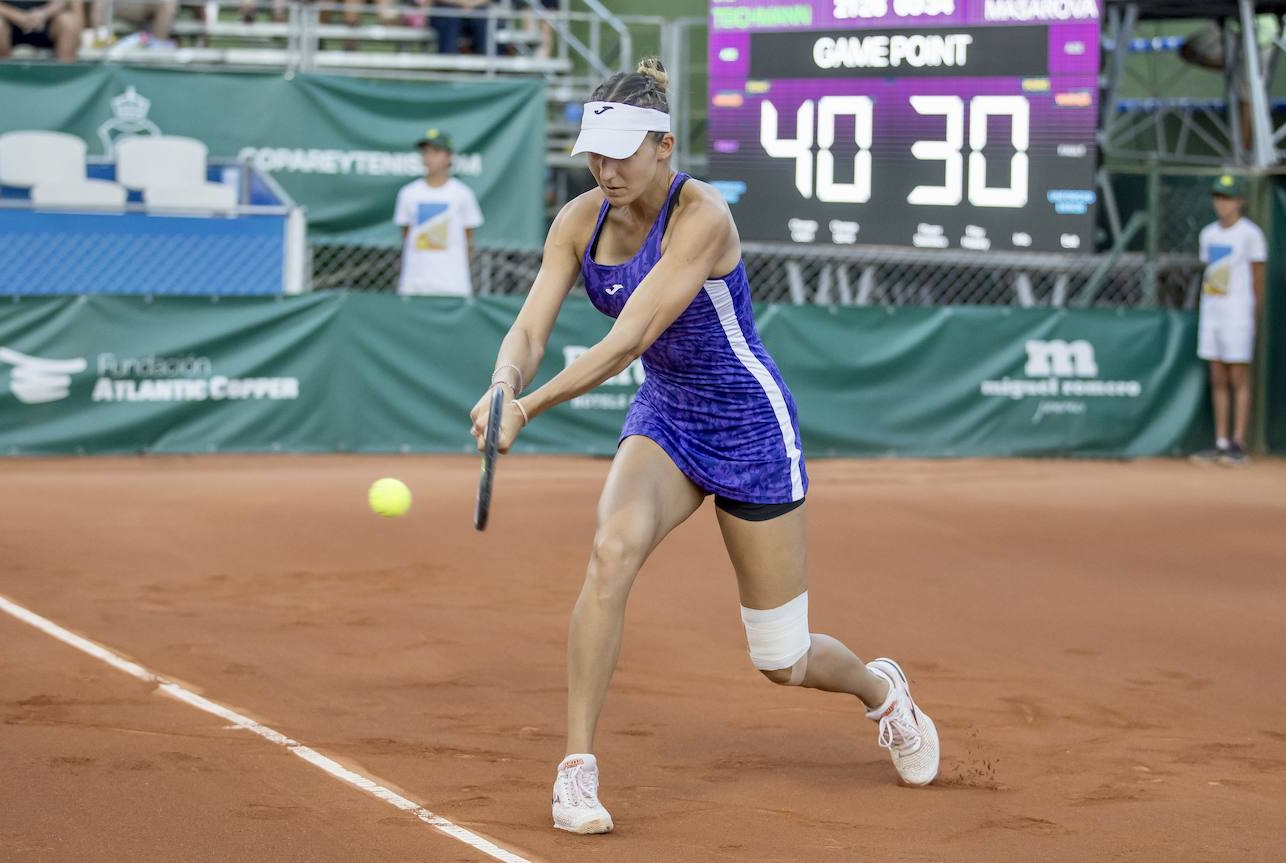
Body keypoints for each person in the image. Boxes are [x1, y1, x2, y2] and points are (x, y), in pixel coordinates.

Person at [468, 58, 940, 835]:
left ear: (664, 145)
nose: (605, 167)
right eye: (596, 150)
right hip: (667, 416)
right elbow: (529, 326)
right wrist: (502, 378)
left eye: (623, 150)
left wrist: (530, 405)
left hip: (751, 426)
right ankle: (577, 770)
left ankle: (882, 691)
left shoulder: (703, 216)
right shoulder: (579, 220)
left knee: (782, 659)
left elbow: (627, 340)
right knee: (610, 550)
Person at [1190, 174, 1267, 467]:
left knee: (1238, 377)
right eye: (1218, 197)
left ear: (1241, 201)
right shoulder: (1208, 234)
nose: (1221, 203)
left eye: (1227, 197)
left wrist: (1253, 312)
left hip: (1239, 312)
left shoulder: (1251, 234)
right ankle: (1221, 441)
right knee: (1217, 376)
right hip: (1212, 313)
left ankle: (1238, 441)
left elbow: (1258, 276)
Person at [393, 128, 483, 296]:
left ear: (448, 157)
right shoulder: (407, 193)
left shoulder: (463, 194)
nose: (429, 157)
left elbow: (468, 239)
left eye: (435, 152)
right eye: (425, 152)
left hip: (453, 286)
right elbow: (406, 235)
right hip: (414, 285)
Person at [0, 0, 82, 60]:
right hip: (7, 21)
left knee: (69, 22)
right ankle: (0, 78)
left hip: (46, 20)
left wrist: (43, 14)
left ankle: (64, 78)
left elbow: (62, 1)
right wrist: (18, 16)